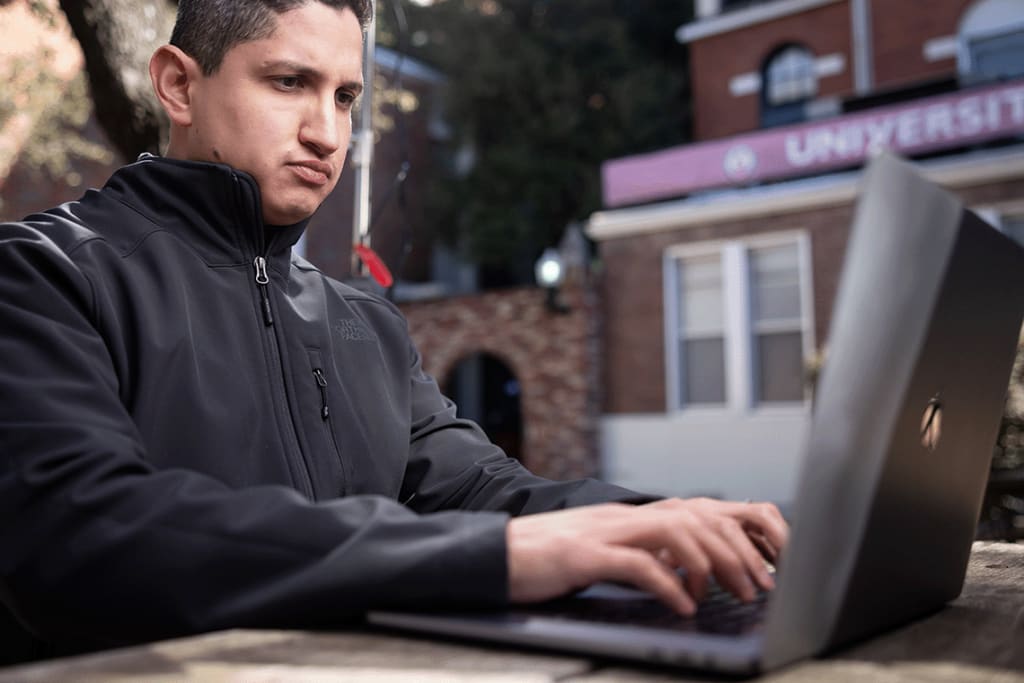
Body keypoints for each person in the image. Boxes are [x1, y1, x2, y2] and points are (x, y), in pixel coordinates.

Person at [0, 0, 788, 661]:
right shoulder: (43, 274)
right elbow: (83, 529)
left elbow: (481, 489)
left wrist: (663, 523)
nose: (327, 133)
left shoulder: (365, 321)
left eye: (345, 97)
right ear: (178, 84)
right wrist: (494, 559)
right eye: (288, 83)